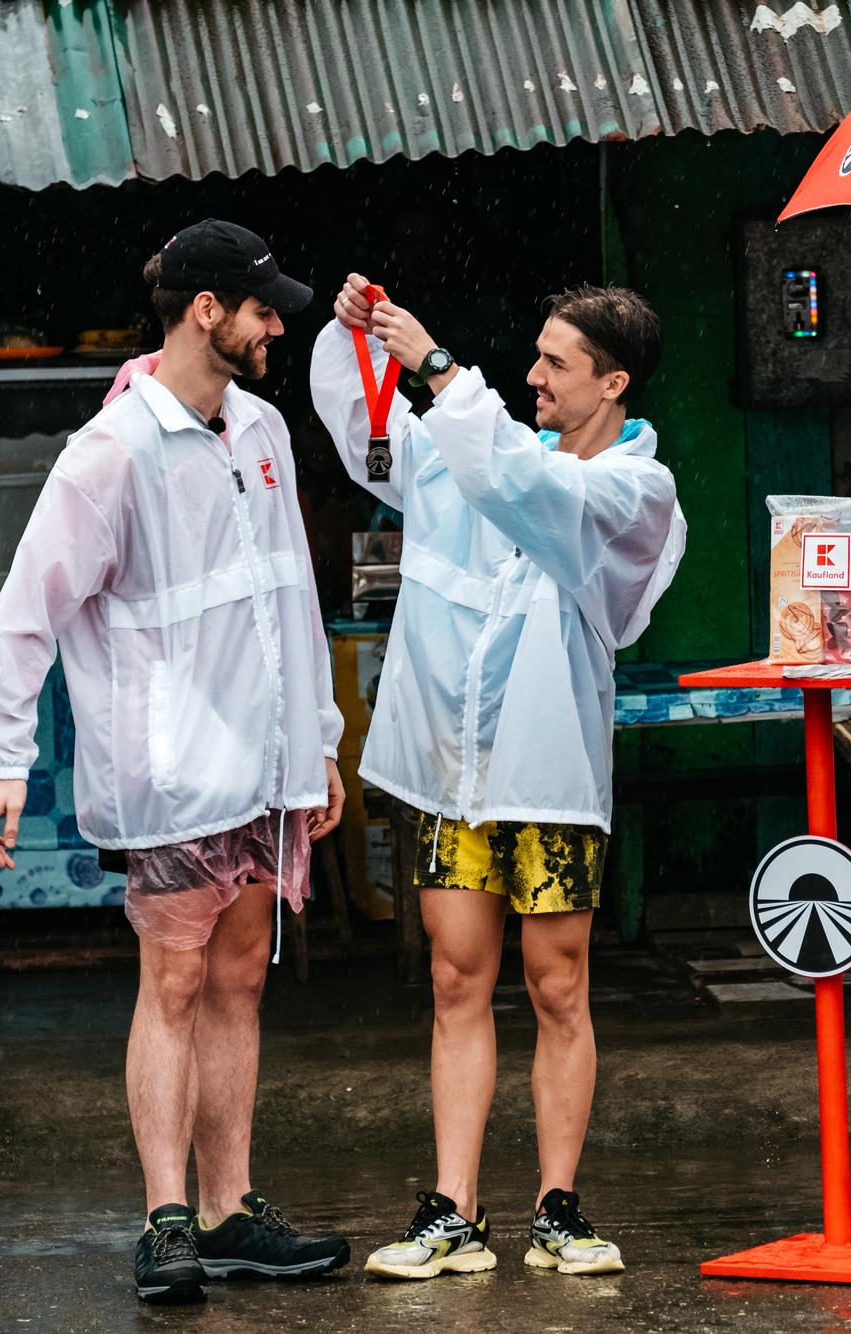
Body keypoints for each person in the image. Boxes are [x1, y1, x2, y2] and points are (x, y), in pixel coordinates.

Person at [0, 220, 350, 1304]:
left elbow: (292, 599)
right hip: (172, 765)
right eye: (262, 308)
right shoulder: (114, 449)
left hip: (264, 763)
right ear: (204, 310)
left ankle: (230, 1210)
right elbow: (28, 606)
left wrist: (319, 740)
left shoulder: (262, 428)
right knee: (174, 980)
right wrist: (4, 756)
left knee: (240, 978)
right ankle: (166, 1219)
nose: (277, 326)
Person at [312, 277, 684, 1281]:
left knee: (557, 983)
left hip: (547, 774)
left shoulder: (634, 490)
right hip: (456, 773)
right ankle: (453, 1210)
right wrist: (357, 342)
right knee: (453, 978)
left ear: (614, 382)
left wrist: (438, 366)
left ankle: (557, 1207)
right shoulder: (478, 447)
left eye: (556, 362)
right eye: (535, 355)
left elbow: (530, 490)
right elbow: (373, 441)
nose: (533, 375)